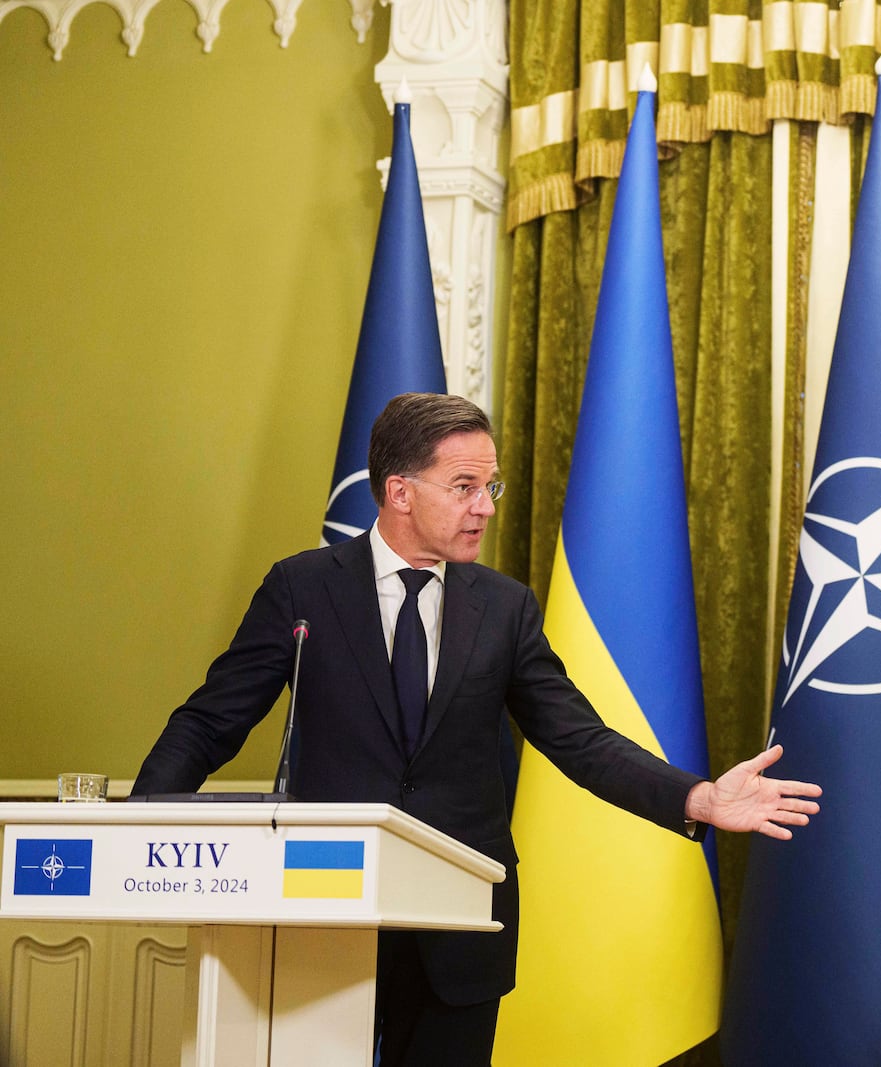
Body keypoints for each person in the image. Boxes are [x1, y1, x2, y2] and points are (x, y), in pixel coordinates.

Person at [132, 392, 821, 1065]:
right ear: (400, 492)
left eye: (489, 484)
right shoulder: (302, 588)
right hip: (324, 914)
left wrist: (696, 797)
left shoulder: (504, 606)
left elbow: (579, 737)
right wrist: (142, 831)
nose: (485, 506)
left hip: (459, 928)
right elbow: (210, 721)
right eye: (464, 486)